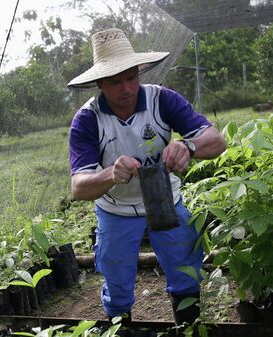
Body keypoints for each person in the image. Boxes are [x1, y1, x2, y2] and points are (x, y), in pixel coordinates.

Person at [66, 28, 227, 325]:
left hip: (166, 198)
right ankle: (120, 327)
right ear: (100, 84)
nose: (127, 88)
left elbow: (217, 141)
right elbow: (79, 187)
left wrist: (188, 146)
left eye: (132, 77)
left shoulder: (161, 100)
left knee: (184, 268)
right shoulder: (88, 120)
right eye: (115, 82)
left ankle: (189, 327)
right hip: (116, 209)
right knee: (116, 279)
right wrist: (110, 174)